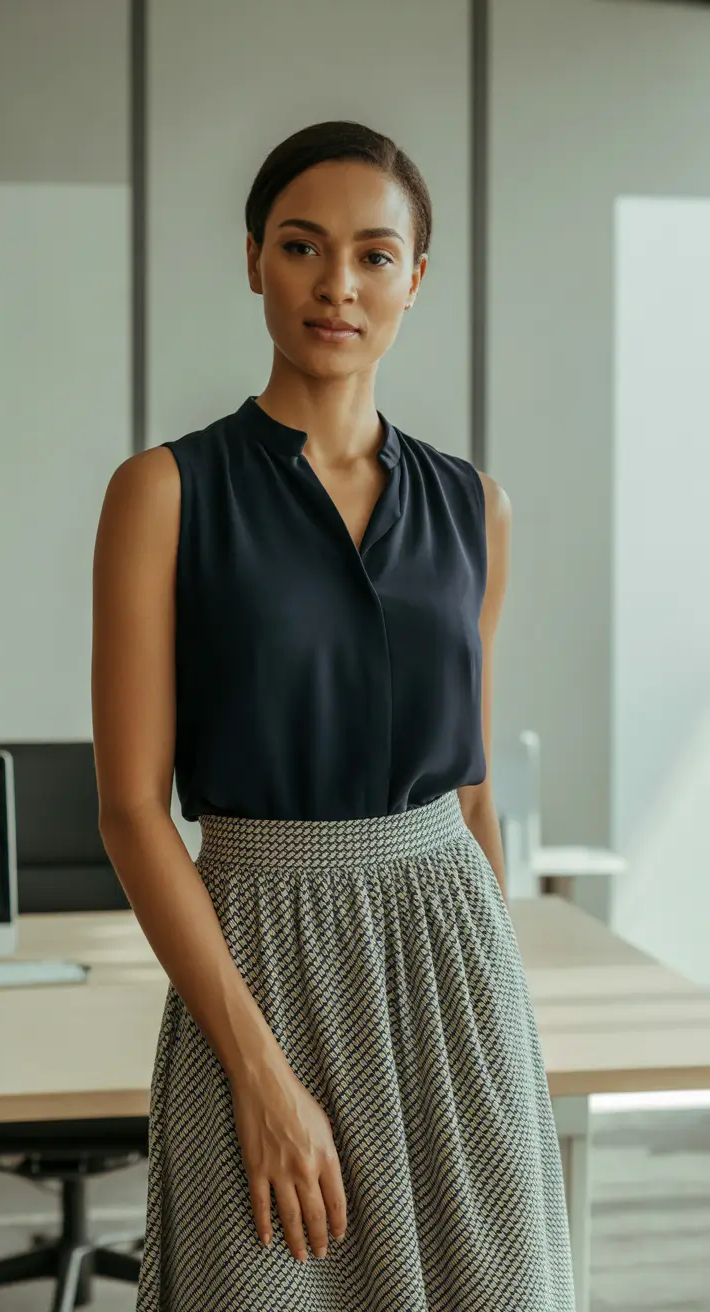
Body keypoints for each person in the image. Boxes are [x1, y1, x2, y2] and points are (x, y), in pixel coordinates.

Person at [91, 119, 576, 1311]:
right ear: (255, 257)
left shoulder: (476, 507)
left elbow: (466, 792)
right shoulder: (166, 493)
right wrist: (256, 1071)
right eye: (304, 247)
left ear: (414, 277)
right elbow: (129, 811)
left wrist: (495, 998)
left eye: (372, 255)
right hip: (259, 963)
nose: (337, 285)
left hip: (453, 971)